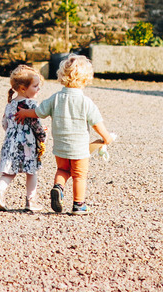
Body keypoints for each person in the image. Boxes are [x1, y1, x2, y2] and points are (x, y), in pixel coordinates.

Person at [16, 53, 111, 216]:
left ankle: (58, 188)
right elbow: (96, 123)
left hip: (60, 146)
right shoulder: (85, 102)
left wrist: (24, 112)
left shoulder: (56, 98)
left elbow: (39, 112)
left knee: (63, 170)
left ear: (62, 76)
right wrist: (106, 137)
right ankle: (78, 205)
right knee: (79, 175)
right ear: (85, 79)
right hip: (79, 149)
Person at [0, 66, 46, 212]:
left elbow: (4, 123)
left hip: (10, 142)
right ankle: (31, 201)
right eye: (35, 86)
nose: (38, 89)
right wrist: (42, 136)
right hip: (27, 144)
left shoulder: (10, 104)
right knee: (31, 171)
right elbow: (35, 124)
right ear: (22, 88)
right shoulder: (31, 105)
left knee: (9, 172)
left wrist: (12, 133)